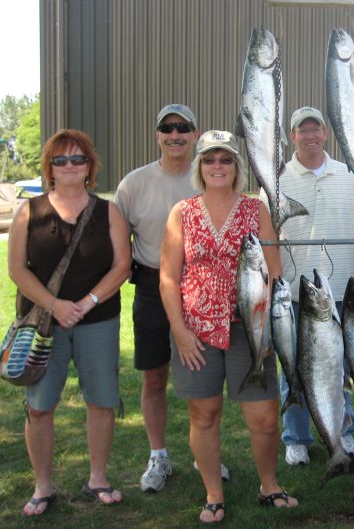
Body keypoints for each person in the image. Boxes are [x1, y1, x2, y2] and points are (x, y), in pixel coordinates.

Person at [160, 130, 298, 522]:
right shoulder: (182, 213)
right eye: (209, 159)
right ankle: (213, 494)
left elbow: (274, 273)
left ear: (237, 166)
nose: (217, 166)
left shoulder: (256, 211)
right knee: (204, 414)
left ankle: (269, 485)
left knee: (265, 418)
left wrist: (267, 329)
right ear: (199, 167)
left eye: (225, 159)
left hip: (248, 329)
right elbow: (168, 278)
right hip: (196, 331)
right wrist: (181, 331)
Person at [8, 129, 131, 516]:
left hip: (98, 322)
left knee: (102, 402)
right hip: (43, 325)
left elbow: (122, 266)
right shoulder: (29, 211)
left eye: (78, 159)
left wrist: (87, 301)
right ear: (49, 168)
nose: (70, 166)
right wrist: (56, 305)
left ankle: (98, 477)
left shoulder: (108, 211)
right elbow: (16, 270)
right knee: (40, 405)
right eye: (61, 160)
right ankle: (42, 485)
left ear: (89, 167)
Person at [115, 103, 228, 492]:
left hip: (206, 291)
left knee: (208, 377)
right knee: (154, 376)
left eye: (183, 128)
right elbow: (118, 243)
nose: (175, 135)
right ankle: (158, 456)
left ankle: (207, 454)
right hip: (151, 286)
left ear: (195, 134)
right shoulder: (134, 183)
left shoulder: (210, 177)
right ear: (158, 135)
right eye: (167, 128)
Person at [265, 106, 354, 481]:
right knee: (294, 368)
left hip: (343, 291)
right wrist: (278, 282)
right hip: (297, 296)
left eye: (315, 129)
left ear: (325, 133)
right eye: (302, 130)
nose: (310, 136)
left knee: (341, 368)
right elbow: (268, 237)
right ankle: (296, 436)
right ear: (292, 136)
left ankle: (342, 433)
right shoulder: (277, 180)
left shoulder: (348, 175)